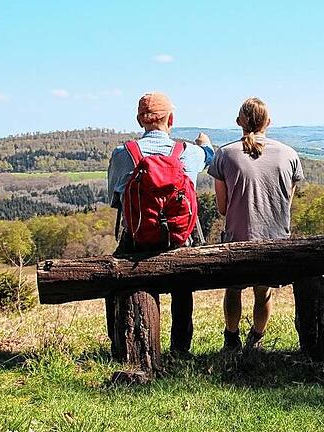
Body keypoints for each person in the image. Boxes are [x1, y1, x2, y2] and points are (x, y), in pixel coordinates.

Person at [107, 92, 214, 356]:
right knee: (182, 286)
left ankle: (123, 342)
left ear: (139, 120)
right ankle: (180, 347)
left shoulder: (123, 154)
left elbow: (115, 197)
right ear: (171, 119)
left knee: (114, 282)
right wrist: (205, 144)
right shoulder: (188, 153)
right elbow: (210, 155)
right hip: (179, 239)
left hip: (136, 240)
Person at [208, 97, 304, 351]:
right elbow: (286, 203)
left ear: (239, 121)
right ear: (268, 122)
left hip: (238, 238)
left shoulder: (224, 155)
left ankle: (231, 338)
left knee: (233, 290)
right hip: (275, 241)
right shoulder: (289, 155)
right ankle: (257, 338)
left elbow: (221, 208)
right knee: (263, 293)